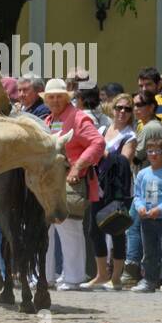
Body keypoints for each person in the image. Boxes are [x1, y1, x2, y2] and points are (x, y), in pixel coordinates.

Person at [43, 78, 103, 290]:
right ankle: (46, 276)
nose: (55, 100)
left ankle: (73, 277)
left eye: (59, 96)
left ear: (67, 97)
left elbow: (98, 142)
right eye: (51, 97)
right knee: (47, 228)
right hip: (50, 181)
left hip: (70, 179)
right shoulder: (49, 119)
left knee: (69, 227)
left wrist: (78, 167)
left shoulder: (78, 117)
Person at [83, 93, 137, 289]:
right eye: (119, 108)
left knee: (117, 229)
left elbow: (125, 160)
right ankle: (101, 274)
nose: (122, 112)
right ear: (112, 109)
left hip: (118, 190)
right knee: (94, 230)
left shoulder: (130, 136)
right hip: (99, 185)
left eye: (127, 109)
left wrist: (102, 153)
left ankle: (115, 277)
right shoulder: (103, 128)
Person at [131, 139, 162, 293]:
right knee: (149, 252)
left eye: (157, 151)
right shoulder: (142, 174)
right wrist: (140, 207)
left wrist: (160, 209)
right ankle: (149, 280)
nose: (153, 154)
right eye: (150, 151)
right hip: (147, 219)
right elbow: (137, 196)